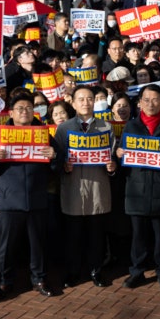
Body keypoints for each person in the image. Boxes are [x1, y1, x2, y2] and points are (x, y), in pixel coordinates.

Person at [0, 91, 60, 300]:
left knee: (38, 244)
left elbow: (59, 166)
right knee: (6, 246)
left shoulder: (43, 135)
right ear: (11, 113)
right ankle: (5, 282)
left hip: (37, 200)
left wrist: (54, 156)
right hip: (9, 201)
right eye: (20, 108)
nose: (25, 112)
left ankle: (39, 279)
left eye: (29, 108)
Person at [117, 85, 160, 290]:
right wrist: (119, 154)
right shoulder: (131, 126)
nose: (150, 104)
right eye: (146, 100)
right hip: (137, 189)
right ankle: (137, 272)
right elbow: (122, 156)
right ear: (139, 103)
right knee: (138, 235)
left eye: (155, 99)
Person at [56, 86, 117, 288]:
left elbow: (112, 157)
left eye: (90, 99)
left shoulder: (106, 127)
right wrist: (64, 165)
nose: (86, 103)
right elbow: (57, 159)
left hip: (98, 187)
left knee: (96, 236)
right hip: (73, 187)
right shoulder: (64, 129)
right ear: (73, 103)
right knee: (72, 236)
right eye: (81, 99)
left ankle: (96, 271)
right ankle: (73, 272)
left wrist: (112, 167)